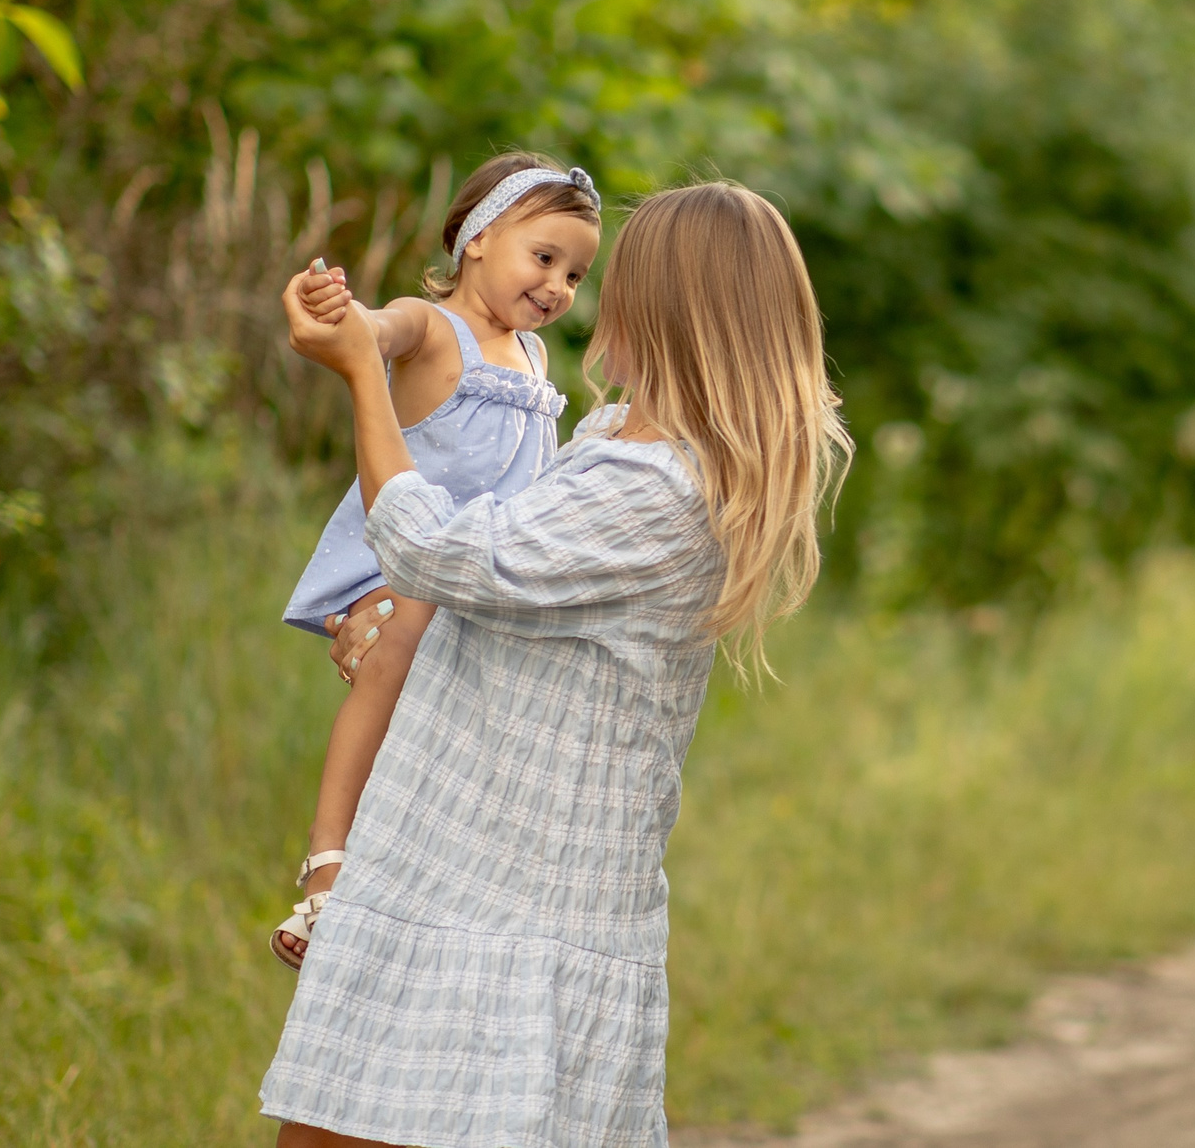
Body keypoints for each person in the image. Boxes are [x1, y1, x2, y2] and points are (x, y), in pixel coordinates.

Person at [263, 179, 852, 1148]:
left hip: (501, 904)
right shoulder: (611, 442)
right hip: (465, 883)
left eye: (612, 277)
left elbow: (443, 551)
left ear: (662, 309)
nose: (592, 294)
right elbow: (489, 560)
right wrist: (399, 617)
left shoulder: (656, 488)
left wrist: (364, 377)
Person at [269, 152, 603, 970]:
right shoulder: (430, 324)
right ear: (480, 239)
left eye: (575, 273)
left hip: (481, 576)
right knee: (401, 639)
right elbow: (373, 331)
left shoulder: (535, 358)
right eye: (545, 257)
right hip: (404, 563)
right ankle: (326, 860)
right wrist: (338, 309)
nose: (559, 285)